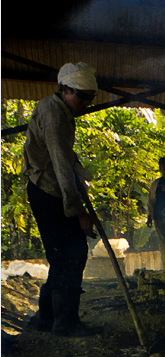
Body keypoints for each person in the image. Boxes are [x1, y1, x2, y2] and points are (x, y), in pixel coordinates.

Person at [22, 62, 101, 336]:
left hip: (52, 190)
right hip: (48, 192)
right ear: (65, 89)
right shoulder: (54, 115)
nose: (86, 103)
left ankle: (46, 319)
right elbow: (61, 166)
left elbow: (68, 160)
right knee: (72, 254)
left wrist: (83, 187)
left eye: (90, 98)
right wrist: (78, 211)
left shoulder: (61, 111)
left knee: (63, 256)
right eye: (82, 97)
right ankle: (65, 324)